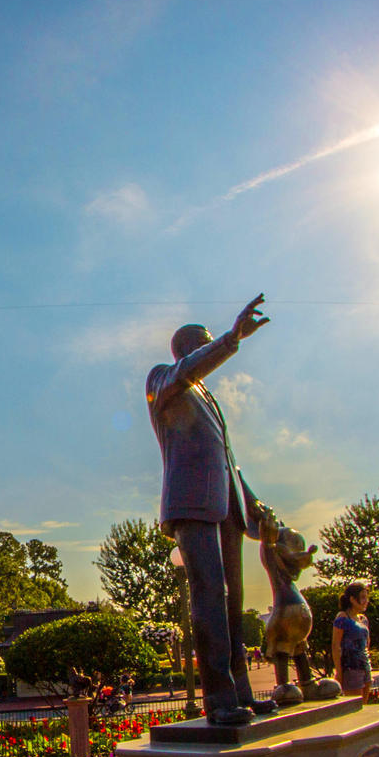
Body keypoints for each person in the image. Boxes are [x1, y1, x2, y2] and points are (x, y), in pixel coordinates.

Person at [146, 295, 276, 726]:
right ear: (188, 349)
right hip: (191, 502)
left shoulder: (209, 400)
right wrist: (231, 338)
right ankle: (218, 700)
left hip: (227, 508)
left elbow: (227, 458)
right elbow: (188, 370)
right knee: (209, 596)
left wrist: (252, 501)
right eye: (203, 344)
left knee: (233, 603)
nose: (209, 350)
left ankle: (240, 692)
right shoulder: (164, 379)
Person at [332, 583, 373, 703]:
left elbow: (367, 644)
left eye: (367, 597)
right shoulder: (343, 618)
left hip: (365, 667)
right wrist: (339, 672)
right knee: (355, 705)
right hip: (351, 669)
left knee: (365, 706)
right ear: (352, 599)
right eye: (363, 597)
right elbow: (336, 646)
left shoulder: (363, 619)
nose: (366, 601)